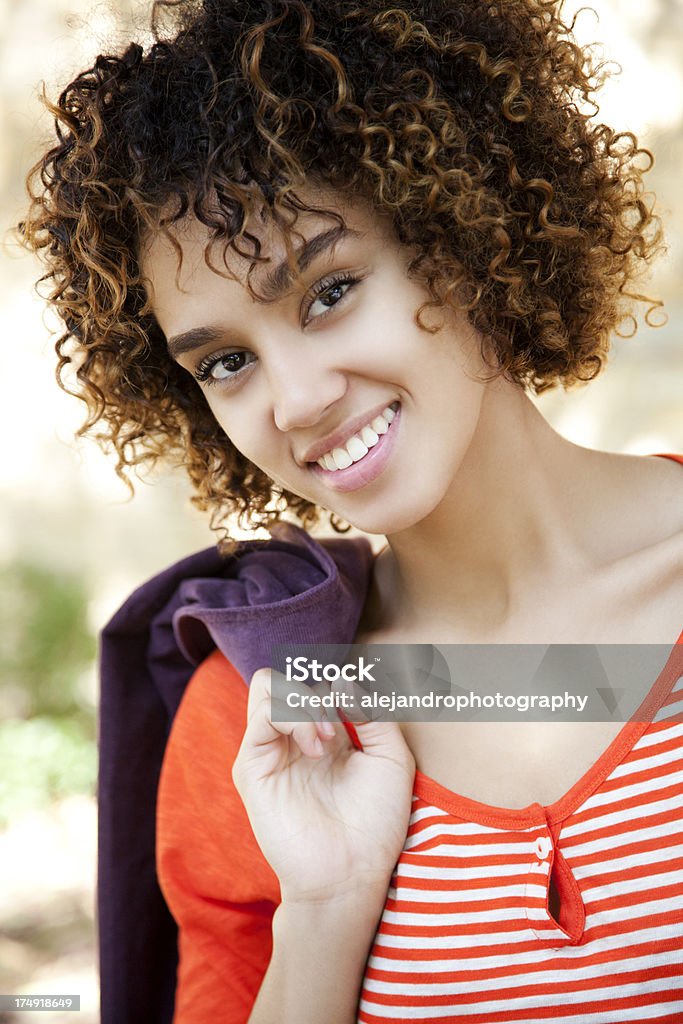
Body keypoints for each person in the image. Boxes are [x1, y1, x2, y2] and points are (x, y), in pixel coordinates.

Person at [21, 1, 683, 1022]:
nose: (294, 400)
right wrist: (324, 906)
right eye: (226, 361)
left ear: (462, 233)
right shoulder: (269, 717)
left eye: (327, 291)